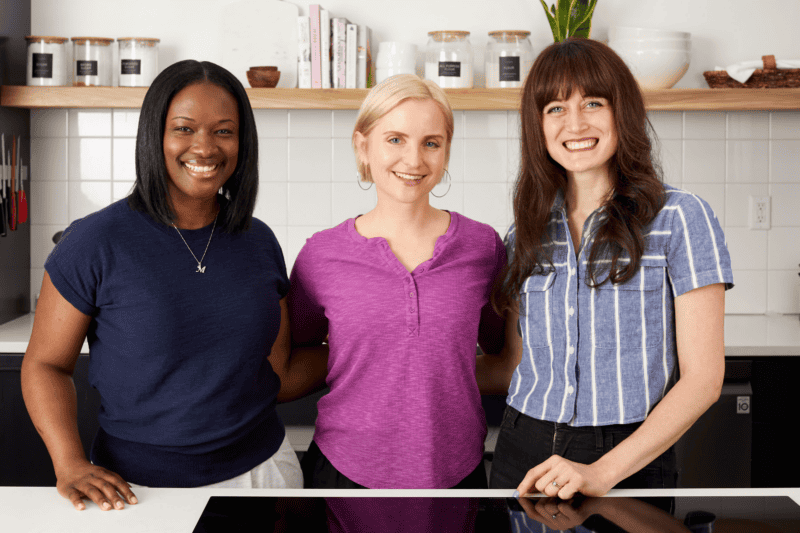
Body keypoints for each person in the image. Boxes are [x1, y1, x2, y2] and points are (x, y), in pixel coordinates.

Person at [21, 60, 322, 511]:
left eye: (224, 131)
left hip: (265, 476)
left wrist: (378, 344)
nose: (204, 147)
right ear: (154, 135)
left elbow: (276, 373)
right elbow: (45, 365)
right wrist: (69, 462)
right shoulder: (96, 241)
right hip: (136, 491)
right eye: (184, 128)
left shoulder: (258, 241)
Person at [483, 38, 734, 498]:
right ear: (536, 125)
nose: (574, 123)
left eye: (593, 103)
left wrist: (601, 472)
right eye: (555, 108)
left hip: (629, 454)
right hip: (523, 446)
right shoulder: (525, 232)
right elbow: (514, 365)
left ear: (624, 112)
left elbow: (703, 380)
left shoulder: (680, 217)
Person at [287, 74, 506, 489]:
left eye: (431, 142)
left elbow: (502, 359)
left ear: (445, 152)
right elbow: (297, 353)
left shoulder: (484, 247)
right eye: (395, 139)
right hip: (343, 471)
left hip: (456, 472)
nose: (414, 159)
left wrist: (432, 370)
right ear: (362, 145)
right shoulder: (322, 254)